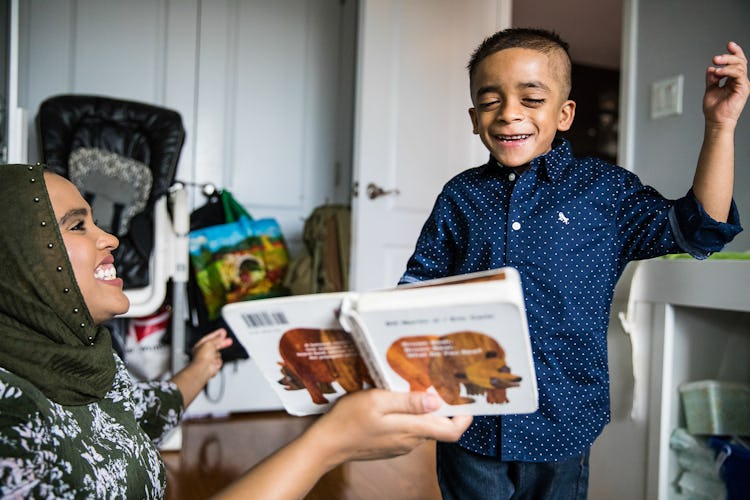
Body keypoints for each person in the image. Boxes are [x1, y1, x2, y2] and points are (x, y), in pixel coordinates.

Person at [399, 28, 748, 499]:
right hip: (469, 417)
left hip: (562, 418)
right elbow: (418, 285)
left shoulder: (605, 191)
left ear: (564, 114)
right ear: (473, 118)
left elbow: (700, 226)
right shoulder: (460, 196)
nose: (509, 113)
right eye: (490, 100)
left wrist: (720, 127)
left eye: (531, 98)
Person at [0, 164, 472, 499]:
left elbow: (142, 415)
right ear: (15, 263)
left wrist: (202, 367)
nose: (110, 239)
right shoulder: (10, 414)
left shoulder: (87, 358)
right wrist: (329, 442)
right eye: (78, 226)